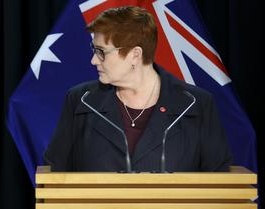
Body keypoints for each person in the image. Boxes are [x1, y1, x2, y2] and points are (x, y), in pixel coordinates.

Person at [43, 6, 232, 172]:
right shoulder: (80, 100)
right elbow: (55, 172)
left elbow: (218, 184)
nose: (93, 60)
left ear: (135, 54)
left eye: (101, 52)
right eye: (94, 50)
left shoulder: (196, 104)